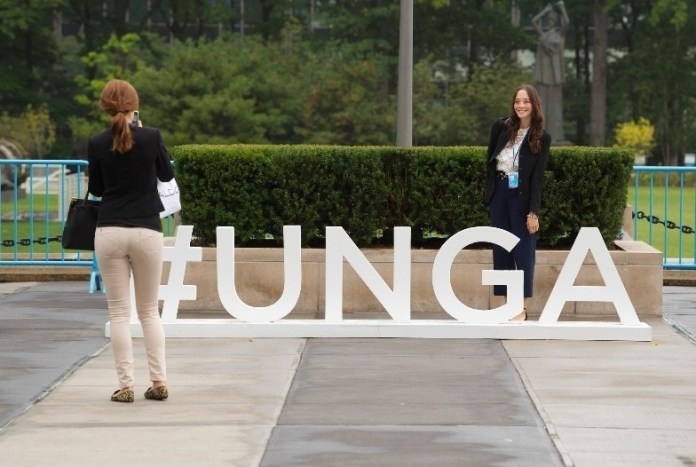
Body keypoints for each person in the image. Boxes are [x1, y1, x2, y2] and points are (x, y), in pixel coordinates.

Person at [88, 79, 174, 402]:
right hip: (147, 229)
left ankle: (126, 386)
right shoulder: (151, 137)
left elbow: (96, 188)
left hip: (110, 229)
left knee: (119, 314)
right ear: (134, 106)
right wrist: (142, 131)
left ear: (105, 107)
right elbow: (166, 175)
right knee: (149, 311)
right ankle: (159, 381)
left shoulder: (97, 142)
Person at [485, 84, 551, 321]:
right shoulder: (500, 127)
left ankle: (521, 308)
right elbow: (490, 161)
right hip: (499, 193)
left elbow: (537, 178)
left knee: (523, 251)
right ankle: (507, 305)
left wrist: (533, 212)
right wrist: (490, 193)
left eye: (526, 101)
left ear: (534, 105)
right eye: (517, 101)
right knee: (501, 250)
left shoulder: (542, 137)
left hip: (521, 198)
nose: (521, 106)